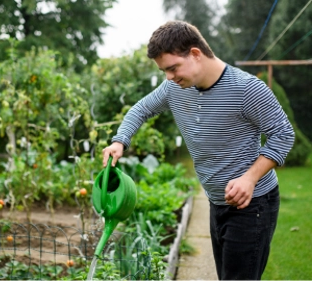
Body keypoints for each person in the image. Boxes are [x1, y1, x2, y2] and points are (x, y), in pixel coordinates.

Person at [101, 20, 295, 280]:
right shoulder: (174, 88)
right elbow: (141, 109)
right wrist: (119, 140)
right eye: (164, 71)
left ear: (195, 54)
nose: (169, 77)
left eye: (172, 68)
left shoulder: (247, 89)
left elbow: (283, 134)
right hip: (217, 201)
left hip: (253, 204)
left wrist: (250, 178)